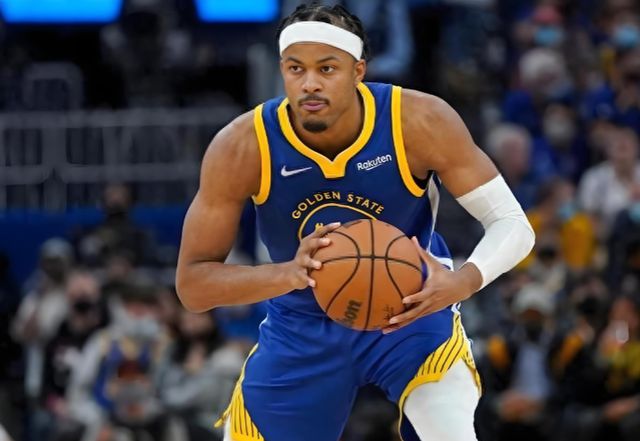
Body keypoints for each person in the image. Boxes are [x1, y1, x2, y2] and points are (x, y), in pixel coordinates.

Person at [175, 4, 535, 441]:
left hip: (413, 307)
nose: (310, 83)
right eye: (295, 68)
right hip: (301, 323)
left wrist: (463, 281)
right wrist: (288, 274)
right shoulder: (242, 145)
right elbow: (193, 286)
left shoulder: (418, 120)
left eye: (327, 69)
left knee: (450, 432)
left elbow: (512, 223)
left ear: (358, 71)